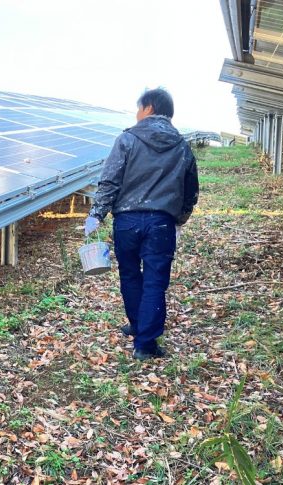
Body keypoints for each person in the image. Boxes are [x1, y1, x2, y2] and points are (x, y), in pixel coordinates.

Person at [84, 88, 199, 360]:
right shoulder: (181, 146)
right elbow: (191, 189)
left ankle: (139, 326)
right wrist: (179, 219)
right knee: (155, 282)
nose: (136, 114)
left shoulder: (127, 139)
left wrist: (96, 214)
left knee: (130, 275)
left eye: (139, 108)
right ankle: (144, 342)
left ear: (148, 107)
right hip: (161, 223)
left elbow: (110, 180)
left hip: (126, 220)